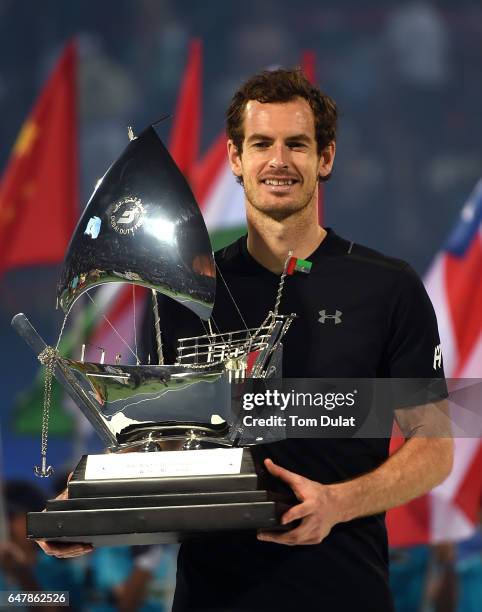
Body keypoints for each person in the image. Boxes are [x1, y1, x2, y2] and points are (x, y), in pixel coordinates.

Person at [37, 69, 453, 611]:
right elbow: (161, 446)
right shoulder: (181, 292)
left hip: (344, 591)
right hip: (212, 596)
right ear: (236, 158)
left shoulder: (388, 286)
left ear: (325, 158)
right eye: (261, 144)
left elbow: (436, 449)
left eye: (296, 144)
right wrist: (90, 505)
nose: (278, 160)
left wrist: (337, 503)